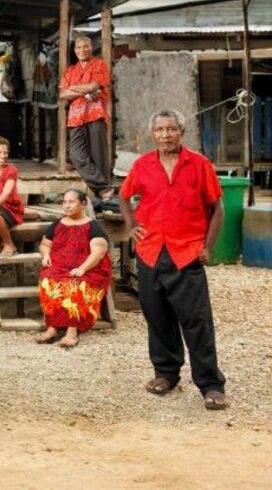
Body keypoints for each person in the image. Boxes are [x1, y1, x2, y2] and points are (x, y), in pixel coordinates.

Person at [119, 109, 228, 410]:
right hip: (151, 251)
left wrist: (207, 247)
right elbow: (124, 196)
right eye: (160, 130)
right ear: (152, 134)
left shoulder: (199, 164)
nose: (165, 135)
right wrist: (131, 226)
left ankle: (211, 384)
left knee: (197, 321)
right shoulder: (142, 165)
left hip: (187, 252)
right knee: (158, 316)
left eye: (171, 129)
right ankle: (166, 373)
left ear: (182, 131)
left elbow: (218, 209)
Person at [37, 188, 112, 348]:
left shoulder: (93, 227)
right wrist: (46, 255)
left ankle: (72, 331)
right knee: (48, 280)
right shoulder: (57, 224)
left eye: (71, 202)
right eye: (64, 202)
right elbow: (45, 244)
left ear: (83, 203)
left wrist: (83, 268)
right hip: (60, 266)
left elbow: (98, 253)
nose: (67, 206)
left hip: (90, 268)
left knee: (76, 285)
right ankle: (53, 327)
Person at [58, 35, 114, 201]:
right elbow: (63, 94)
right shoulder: (70, 71)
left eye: (85, 47)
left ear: (91, 48)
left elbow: (94, 86)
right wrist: (86, 90)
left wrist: (74, 89)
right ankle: (103, 187)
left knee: (99, 155)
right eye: (79, 47)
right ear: (75, 51)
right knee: (76, 156)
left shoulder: (99, 65)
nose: (82, 50)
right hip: (75, 118)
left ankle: (103, 195)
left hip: (95, 114)